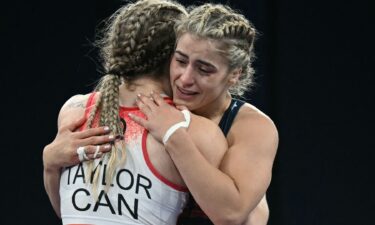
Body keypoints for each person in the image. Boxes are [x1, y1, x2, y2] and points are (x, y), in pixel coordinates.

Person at [42, 0, 228, 224]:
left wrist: (50, 167)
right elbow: (239, 215)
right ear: (175, 57)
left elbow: (69, 212)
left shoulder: (75, 110)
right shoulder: (199, 132)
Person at [129, 3, 278, 225]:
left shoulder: (251, 127)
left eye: (204, 69)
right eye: (180, 61)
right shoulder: (153, 104)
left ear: (234, 75)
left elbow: (230, 214)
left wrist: (173, 135)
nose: (185, 78)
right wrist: (55, 163)